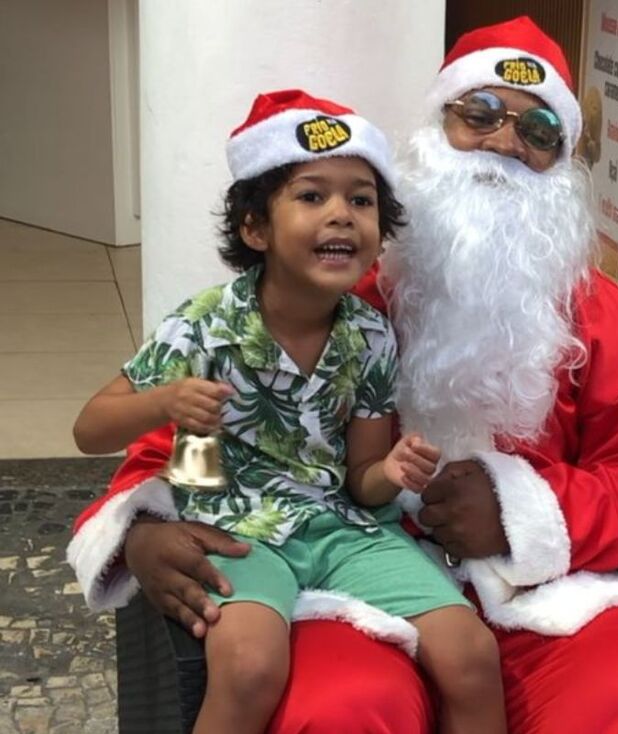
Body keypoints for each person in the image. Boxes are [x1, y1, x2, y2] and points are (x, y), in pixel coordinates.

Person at [67, 17, 618, 733]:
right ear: (435, 132)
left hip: (539, 592)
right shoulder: (339, 294)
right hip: (349, 572)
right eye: (480, 116)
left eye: (538, 131)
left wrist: (520, 512)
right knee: (342, 711)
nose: (505, 142)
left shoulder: (597, 311)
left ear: (562, 161)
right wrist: (148, 532)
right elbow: (179, 433)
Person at [69, 89, 506, 734]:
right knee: (248, 666)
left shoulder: (370, 337)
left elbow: (361, 479)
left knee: (472, 654)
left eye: (361, 200)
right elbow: (88, 428)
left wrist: (395, 469)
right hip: (234, 528)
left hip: (343, 528)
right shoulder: (203, 325)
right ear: (255, 228)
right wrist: (164, 401)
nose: (341, 215)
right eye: (311, 196)